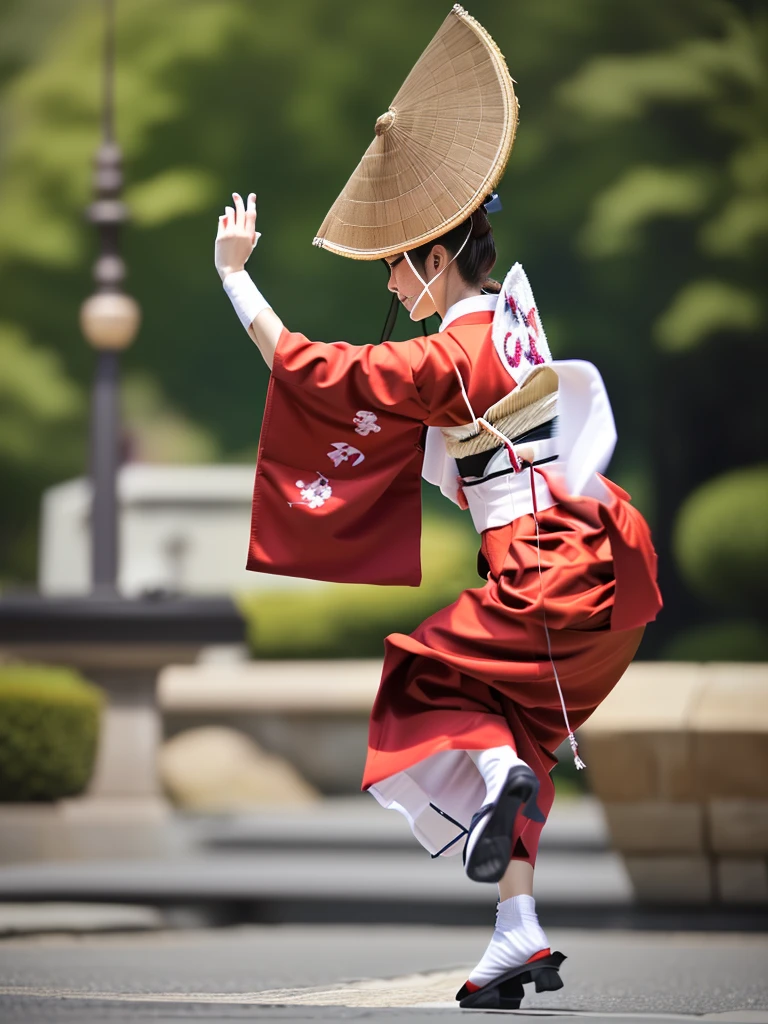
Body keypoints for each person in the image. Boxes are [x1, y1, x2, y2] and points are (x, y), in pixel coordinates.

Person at [214, 7, 661, 1011]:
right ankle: (516, 931)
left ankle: (501, 790)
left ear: (434, 256)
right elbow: (448, 456)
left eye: (397, 261)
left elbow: (309, 367)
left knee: (424, 686)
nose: (389, 277)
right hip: (608, 569)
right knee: (520, 736)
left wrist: (237, 282)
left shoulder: (449, 351)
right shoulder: (509, 329)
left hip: (541, 564)